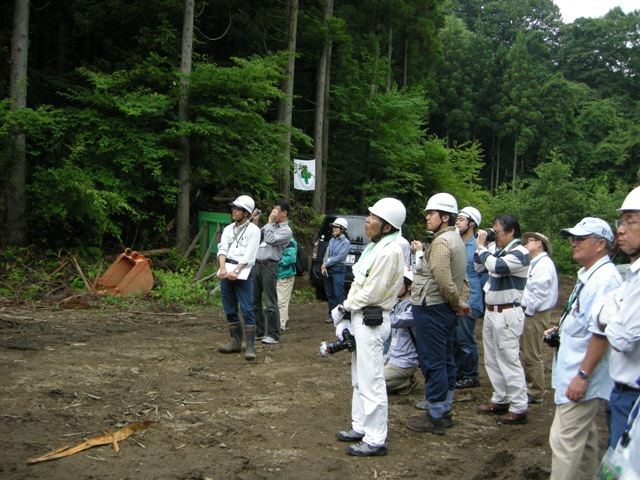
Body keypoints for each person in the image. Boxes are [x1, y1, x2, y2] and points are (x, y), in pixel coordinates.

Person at [546, 217, 622, 479]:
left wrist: (582, 376)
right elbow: (585, 321)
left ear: (601, 244)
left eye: (581, 239)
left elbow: (601, 334)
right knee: (586, 440)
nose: (574, 244)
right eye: (573, 238)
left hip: (580, 375)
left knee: (564, 443)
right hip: (575, 369)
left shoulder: (603, 281)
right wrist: (561, 330)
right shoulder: (590, 276)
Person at [332, 198, 406, 457]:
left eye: (373, 217)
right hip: (359, 318)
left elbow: (371, 292)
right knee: (359, 377)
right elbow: (358, 284)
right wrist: (347, 308)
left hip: (371, 320)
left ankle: (375, 439)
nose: (367, 219)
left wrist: (344, 307)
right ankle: (360, 426)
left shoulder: (389, 251)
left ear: (387, 226)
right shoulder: (373, 248)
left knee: (372, 380)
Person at [406, 193, 470, 436]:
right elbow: (460, 278)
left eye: (431, 213)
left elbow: (444, 280)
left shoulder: (442, 243)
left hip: (432, 308)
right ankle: (444, 410)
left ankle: (434, 417)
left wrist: (455, 303)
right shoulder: (454, 239)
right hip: (441, 308)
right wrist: (459, 302)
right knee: (445, 359)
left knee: (433, 362)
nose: (426, 217)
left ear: (445, 217)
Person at [475, 214, 530, 425]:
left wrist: (481, 247)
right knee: (491, 358)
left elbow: (496, 267)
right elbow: (479, 266)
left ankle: (519, 406)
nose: (494, 235)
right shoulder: (499, 251)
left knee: (508, 359)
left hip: (508, 312)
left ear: (511, 231)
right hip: (491, 311)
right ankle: (501, 398)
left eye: (497, 232)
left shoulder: (521, 252)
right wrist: (485, 246)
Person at [602, 188, 640, 449]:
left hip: (633, 398)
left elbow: (623, 340)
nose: (621, 230)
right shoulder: (633, 274)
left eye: (630, 221)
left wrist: (609, 311)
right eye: (621, 222)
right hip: (623, 394)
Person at [217, 195, 262, 360]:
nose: (233, 211)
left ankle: (250, 345)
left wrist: (237, 271)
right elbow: (222, 248)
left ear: (246, 213)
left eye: (238, 209)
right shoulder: (229, 229)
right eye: (233, 208)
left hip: (244, 272)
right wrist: (222, 268)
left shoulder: (254, 231)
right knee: (229, 307)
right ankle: (235, 341)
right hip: (226, 268)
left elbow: (249, 256)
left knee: (247, 307)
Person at [520, 231, 559, 405]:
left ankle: (535, 391)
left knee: (532, 352)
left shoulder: (543, 264)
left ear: (539, 244)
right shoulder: (536, 263)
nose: (526, 245)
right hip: (532, 312)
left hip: (535, 314)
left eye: (529, 242)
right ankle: (532, 387)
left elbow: (540, 292)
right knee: (527, 351)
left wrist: (528, 310)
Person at [252, 200, 293, 345]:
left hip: (270, 266)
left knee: (270, 302)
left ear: (284, 213)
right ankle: (259, 331)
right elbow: (257, 237)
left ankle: (274, 334)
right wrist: (256, 222)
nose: (273, 213)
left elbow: (269, 239)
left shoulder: (286, 231)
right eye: (273, 210)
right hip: (257, 264)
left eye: (276, 210)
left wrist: (269, 221)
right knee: (254, 300)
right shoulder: (269, 226)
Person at [453, 206, 485, 389]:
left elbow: (484, 276)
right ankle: (457, 372)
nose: (457, 222)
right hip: (455, 298)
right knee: (454, 338)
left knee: (465, 339)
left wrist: (481, 303)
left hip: (471, 299)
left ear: (472, 224)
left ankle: (471, 375)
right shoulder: (455, 243)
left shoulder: (477, 248)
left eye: (462, 219)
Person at [384, 269, 419, 395]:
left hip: (405, 361)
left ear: (409, 286)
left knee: (375, 385)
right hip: (392, 356)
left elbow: (394, 321)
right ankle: (401, 381)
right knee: (365, 379)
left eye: (399, 284)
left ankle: (406, 382)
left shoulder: (414, 308)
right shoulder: (397, 304)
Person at [322, 218, 351, 323]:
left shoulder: (346, 242)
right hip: (329, 269)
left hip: (338, 269)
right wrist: (324, 265)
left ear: (342, 229)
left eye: (336, 227)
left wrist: (326, 263)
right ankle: (332, 315)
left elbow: (340, 257)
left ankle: (345, 314)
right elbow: (327, 253)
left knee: (338, 293)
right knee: (329, 293)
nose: (333, 229)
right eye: (333, 227)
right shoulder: (331, 240)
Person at [277, 237, 298, 333]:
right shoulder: (276, 240)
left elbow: (291, 258)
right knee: (279, 300)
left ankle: (281, 325)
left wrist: (275, 261)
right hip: (277, 275)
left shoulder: (289, 241)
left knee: (281, 302)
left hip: (285, 275)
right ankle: (284, 321)